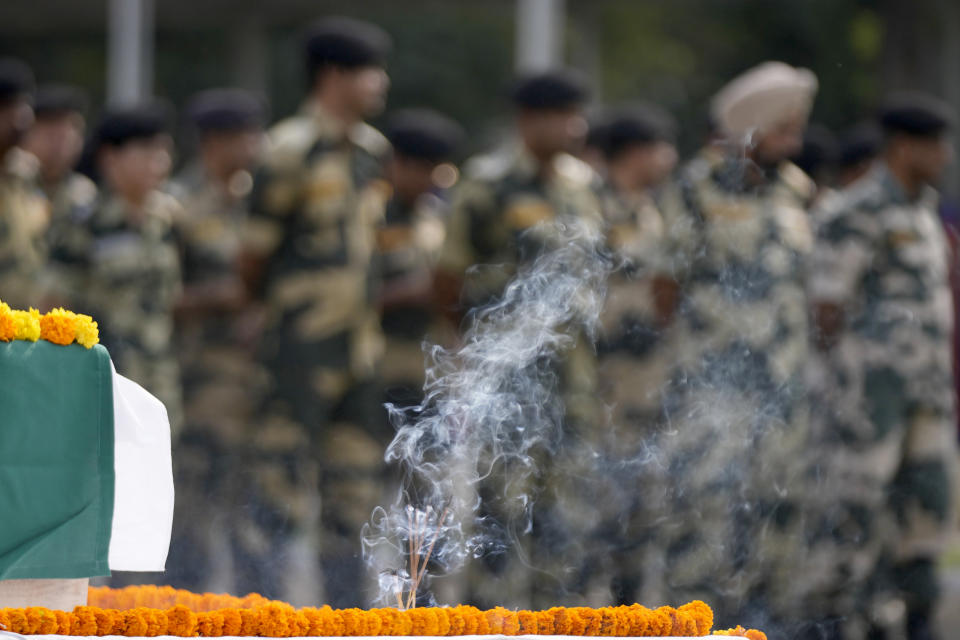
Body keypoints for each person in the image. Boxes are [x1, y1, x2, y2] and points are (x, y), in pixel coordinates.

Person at [653, 61, 818, 633]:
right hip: (711, 388)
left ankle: (763, 623)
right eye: (783, 129)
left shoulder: (797, 190)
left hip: (782, 387)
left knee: (778, 513)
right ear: (749, 127)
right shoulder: (694, 188)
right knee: (701, 519)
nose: (794, 142)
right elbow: (663, 288)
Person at [436, 69, 603, 609]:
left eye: (578, 114)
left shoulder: (581, 185)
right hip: (506, 379)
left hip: (570, 377)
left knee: (561, 517)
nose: (575, 126)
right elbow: (448, 277)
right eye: (563, 115)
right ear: (529, 120)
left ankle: (552, 619)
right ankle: (486, 620)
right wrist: (476, 351)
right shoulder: (487, 183)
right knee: (500, 511)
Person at [243, 16, 392, 606]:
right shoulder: (287, 151)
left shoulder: (371, 153)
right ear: (333, 75)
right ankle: (267, 613)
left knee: (354, 493)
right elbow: (252, 259)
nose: (381, 83)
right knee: (279, 490)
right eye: (368, 71)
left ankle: (345, 614)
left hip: (359, 350)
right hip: (298, 351)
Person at [807, 92, 958, 640]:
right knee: (856, 516)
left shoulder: (923, 210)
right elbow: (826, 310)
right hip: (870, 398)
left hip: (927, 392)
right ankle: (838, 623)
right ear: (902, 147)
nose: (944, 153)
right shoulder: (855, 211)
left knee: (926, 509)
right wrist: (856, 380)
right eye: (934, 143)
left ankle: (915, 617)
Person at [164, 88, 266, 593]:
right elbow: (158, 295)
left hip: (260, 382)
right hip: (201, 382)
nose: (254, 145)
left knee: (257, 510)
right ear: (212, 142)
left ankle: (256, 613)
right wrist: (222, 298)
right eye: (242, 136)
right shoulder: (176, 206)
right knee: (193, 510)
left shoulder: (263, 202)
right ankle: (188, 608)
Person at [590, 104, 678, 606]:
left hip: (650, 383)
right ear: (637, 152)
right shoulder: (591, 210)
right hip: (605, 384)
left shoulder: (657, 212)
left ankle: (629, 609)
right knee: (599, 504)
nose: (668, 158)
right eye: (660, 147)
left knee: (644, 504)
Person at [64, 103, 183, 435]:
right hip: (103, 385)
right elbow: (54, 304)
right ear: (110, 158)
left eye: (163, 152)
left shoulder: (168, 221)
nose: (160, 163)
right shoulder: (84, 224)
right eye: (146, 151)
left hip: (160, 384)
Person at [378, 108, 463, 409]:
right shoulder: (366, 216)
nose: (431, 179)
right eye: (423, 169)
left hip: (430, 371)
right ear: (397, 165)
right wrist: (409, 291)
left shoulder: (436, 216)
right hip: (378, 368)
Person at [21, 84, 97, 307]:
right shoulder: (11, 191)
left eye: (71, 131)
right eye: (50, 132)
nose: (60, 142)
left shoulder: (87, 196)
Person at [0, 57, 49, 310]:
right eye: (9, 109)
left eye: (22, 107)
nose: (19, 119)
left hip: (25, 326)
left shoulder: (27, 171)